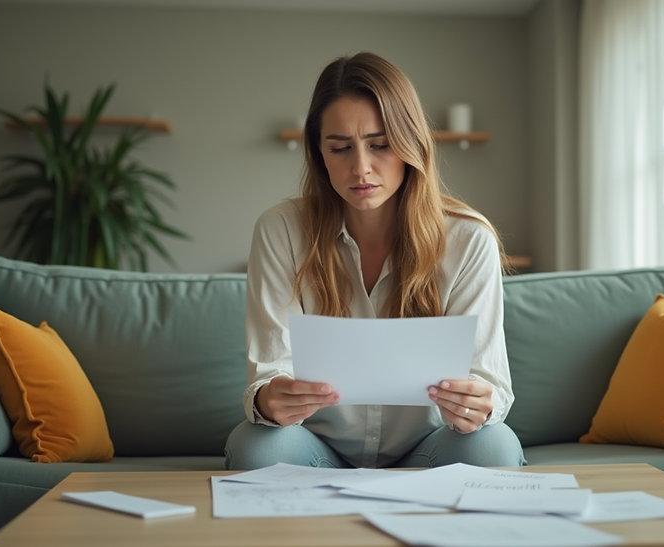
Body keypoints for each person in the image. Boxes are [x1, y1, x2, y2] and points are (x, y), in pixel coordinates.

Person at [224, 51, 524, 470]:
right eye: (340, 148)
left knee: (494, 447)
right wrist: (270, 399)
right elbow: (268, 372)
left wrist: (476, 404)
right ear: (319, 153)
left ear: (410, 144)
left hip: (429, 449)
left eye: (380, 145)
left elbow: (490, 383)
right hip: (316, 450)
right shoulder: (280, 230)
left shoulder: (469, 239)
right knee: (256, 447)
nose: (360, 168)